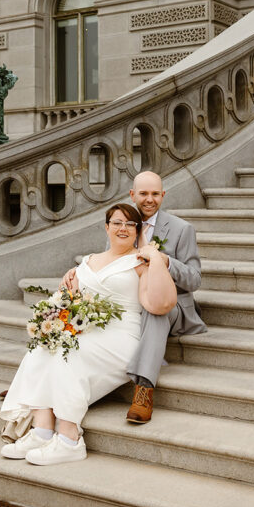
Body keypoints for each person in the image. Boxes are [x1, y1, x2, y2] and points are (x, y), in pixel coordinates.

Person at [0, 203, 176, 466]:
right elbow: (72, 299)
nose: (123, 228)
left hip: (121, 336)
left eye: (130, 224)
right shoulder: (88, 261)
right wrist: (64, 295)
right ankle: (42, 430)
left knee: (70, 353)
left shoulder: (140, 262)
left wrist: (156, 258)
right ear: (107, 227)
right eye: (117, 223)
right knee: (42, 347)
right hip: (87, 330)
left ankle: (70, 439)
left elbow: (159, 304)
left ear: (138, 231)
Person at [61, 171, 205, 424]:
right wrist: (78, 275)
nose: (149, 199)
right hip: (129, 303)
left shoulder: (182, 229)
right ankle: (52, 383)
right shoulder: (122, 223)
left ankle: (144, 389)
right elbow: (109, 266)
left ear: (163, 195)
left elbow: (194, 279)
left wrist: (166, 261)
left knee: (154, 311)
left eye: (154, 194)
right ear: (132, 195)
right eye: (143, 194)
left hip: (170, 305)